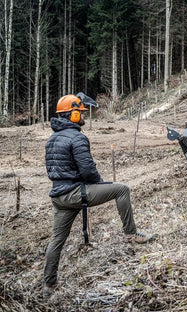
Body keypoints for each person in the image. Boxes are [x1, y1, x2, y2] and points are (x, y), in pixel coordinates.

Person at [43, 93, 153, 298]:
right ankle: (131, 233)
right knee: (121, 189)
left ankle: (48, 286)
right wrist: (100, 184)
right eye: (82, 113)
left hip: (59, 196)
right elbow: (88, 170)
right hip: (75, 193)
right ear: (73, 115)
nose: (85, 116)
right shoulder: (77, 137)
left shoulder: (52, 139)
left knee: (57, 239)